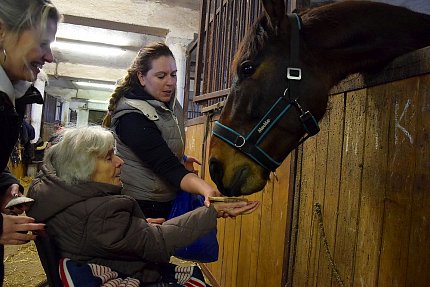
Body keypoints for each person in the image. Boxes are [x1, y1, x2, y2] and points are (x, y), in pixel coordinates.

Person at [27, 126, 259, 286]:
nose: (120, 162)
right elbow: (157, 242)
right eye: (109, 158)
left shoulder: (54, 192)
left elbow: (99, 236)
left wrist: (134, 228)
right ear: (83, 168)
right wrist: (212, 212)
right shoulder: (99, 213)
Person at [103, 42, 220, 220]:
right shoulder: (131, 118)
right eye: (161, 76)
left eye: (173, 75)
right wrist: (206, 189)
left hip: (165, 196)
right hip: (140, 203)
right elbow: (166, 165)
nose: (170, 82)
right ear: (141, 77)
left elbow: (160, 145)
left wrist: (183, 159)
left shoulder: (169, 103)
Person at [0, 0, 60, 284]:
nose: (49, 57)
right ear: (2, 32)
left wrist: (4, 185)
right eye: (43, 43)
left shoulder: (10, 96)